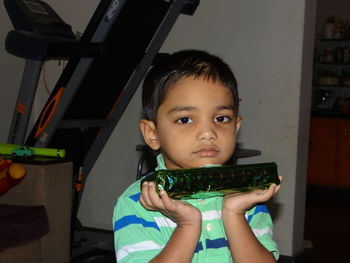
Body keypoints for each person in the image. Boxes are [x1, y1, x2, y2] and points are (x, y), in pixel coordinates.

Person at [113, 49, 282, 263]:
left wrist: (234, 214)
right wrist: (188, 226)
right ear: (152, 134)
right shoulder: (138, 203)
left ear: (236, 127)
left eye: (221, 118)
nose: (208, 133)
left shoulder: (248, 198)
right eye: (185, 120)